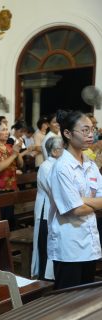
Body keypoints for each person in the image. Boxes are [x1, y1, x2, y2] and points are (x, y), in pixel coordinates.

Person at [47, 111, 102, 290]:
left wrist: (81, 199)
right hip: (69, 245)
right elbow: (75, 210)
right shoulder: (62, 167)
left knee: (85, 301)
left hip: (90, 243)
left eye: (92, 130)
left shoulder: (90, 164)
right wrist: (87, 203)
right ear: (67, 134)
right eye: (85, 130)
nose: (90, 135)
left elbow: (82, 204)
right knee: (67, 303)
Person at [31, 136, 63, 281]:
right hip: (46, 211)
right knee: (45, 245)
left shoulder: (59, 164)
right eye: (63, 148)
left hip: (57, 209)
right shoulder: (46, 166)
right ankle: (44, 278)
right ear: (55, 151)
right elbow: (53, 190)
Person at [0, 121, 24, 228]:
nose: (6, 132)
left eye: (7, 129)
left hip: (11, 187)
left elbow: (20, 164)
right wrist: (14, 154)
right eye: (3, 130)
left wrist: (18, 152)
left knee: (10, 221)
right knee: (0, 222)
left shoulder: (9, 146)